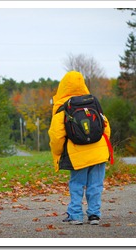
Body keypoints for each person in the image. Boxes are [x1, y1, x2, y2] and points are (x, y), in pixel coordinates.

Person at [48, 71, 111, 225]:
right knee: (96, 184)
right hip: (98, 152)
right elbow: (106, 128)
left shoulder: (63, 107)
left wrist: (57, 154)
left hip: (77, 154)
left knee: (77, 184)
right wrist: (102, 147)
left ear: (62, 86)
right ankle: (94, 215)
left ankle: (76, 215)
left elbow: (56, 135)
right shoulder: (92, 102)